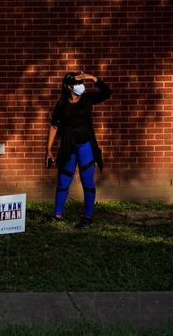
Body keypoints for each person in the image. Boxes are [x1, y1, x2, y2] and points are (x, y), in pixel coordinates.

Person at [45, 71, 112, 228]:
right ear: (69, 86)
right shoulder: (61, 104)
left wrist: (92, 78)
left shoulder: (87, 99)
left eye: (82, 83)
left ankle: (88, 217)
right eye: (77, 83)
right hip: (69, 147)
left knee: (87, 181)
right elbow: (54, 126)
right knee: (63, 181)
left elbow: (107, 93)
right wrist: (48, 149)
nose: (81, 86)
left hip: (85, 146)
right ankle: (57, 215)